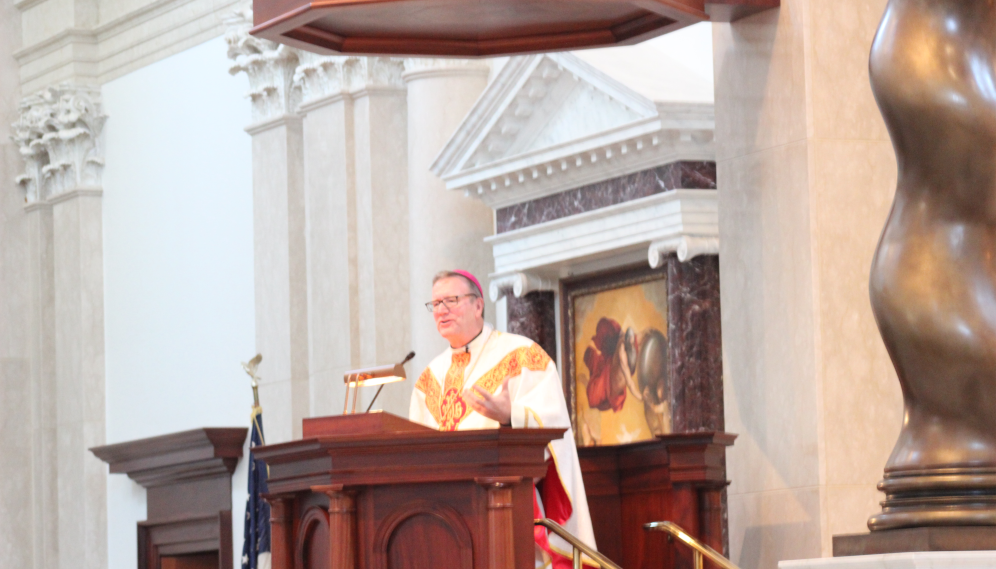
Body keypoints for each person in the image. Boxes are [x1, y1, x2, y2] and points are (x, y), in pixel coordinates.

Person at [409, 270, 597, 568]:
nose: (441, 310)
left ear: (478, 305)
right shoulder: (428, 379)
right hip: (446, 516)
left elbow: (553, 427)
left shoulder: (521, 355)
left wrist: (511, 417)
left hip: (508, 507)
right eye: (435, 304)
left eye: (451, 300)